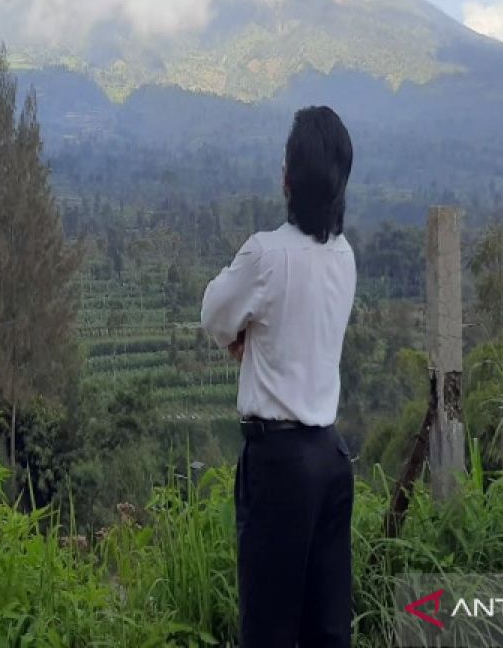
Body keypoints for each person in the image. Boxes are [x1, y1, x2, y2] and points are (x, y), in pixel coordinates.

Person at [200, 105, 357, 647]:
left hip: (280, 464)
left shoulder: (265, 255)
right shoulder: (345, 257)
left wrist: (243, 344)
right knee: (328, 628)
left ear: (288, 179)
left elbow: (214, 315)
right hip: (332, 461)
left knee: (268, 627)